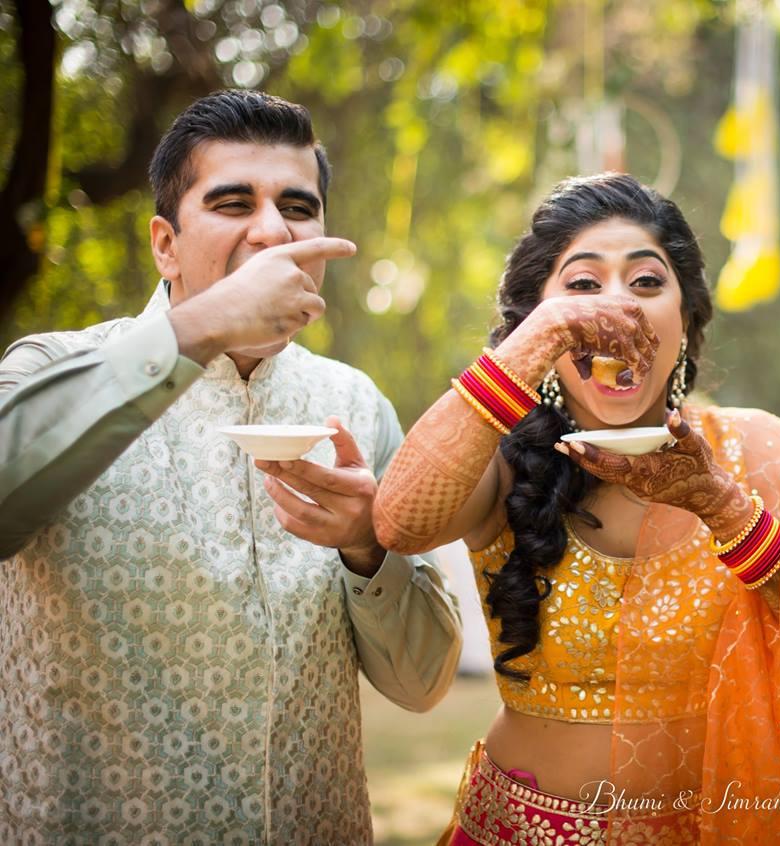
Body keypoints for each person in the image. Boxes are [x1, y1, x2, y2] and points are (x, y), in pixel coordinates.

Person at [373, 173, 780, 845]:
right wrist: (541, 333)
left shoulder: (757, 452)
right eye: (582, 284)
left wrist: (722, 506)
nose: (615, 306)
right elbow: (399, 523)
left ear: (687, 316)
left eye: (646, 283)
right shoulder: (501, 459)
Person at [0, 89, 462, 844]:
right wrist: (209, 323)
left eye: (298, 207)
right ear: (165, 245)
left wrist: (366, 549)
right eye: (232, 202)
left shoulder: (354, 404)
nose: (273, 230)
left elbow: (422, 683)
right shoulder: (54, 368)